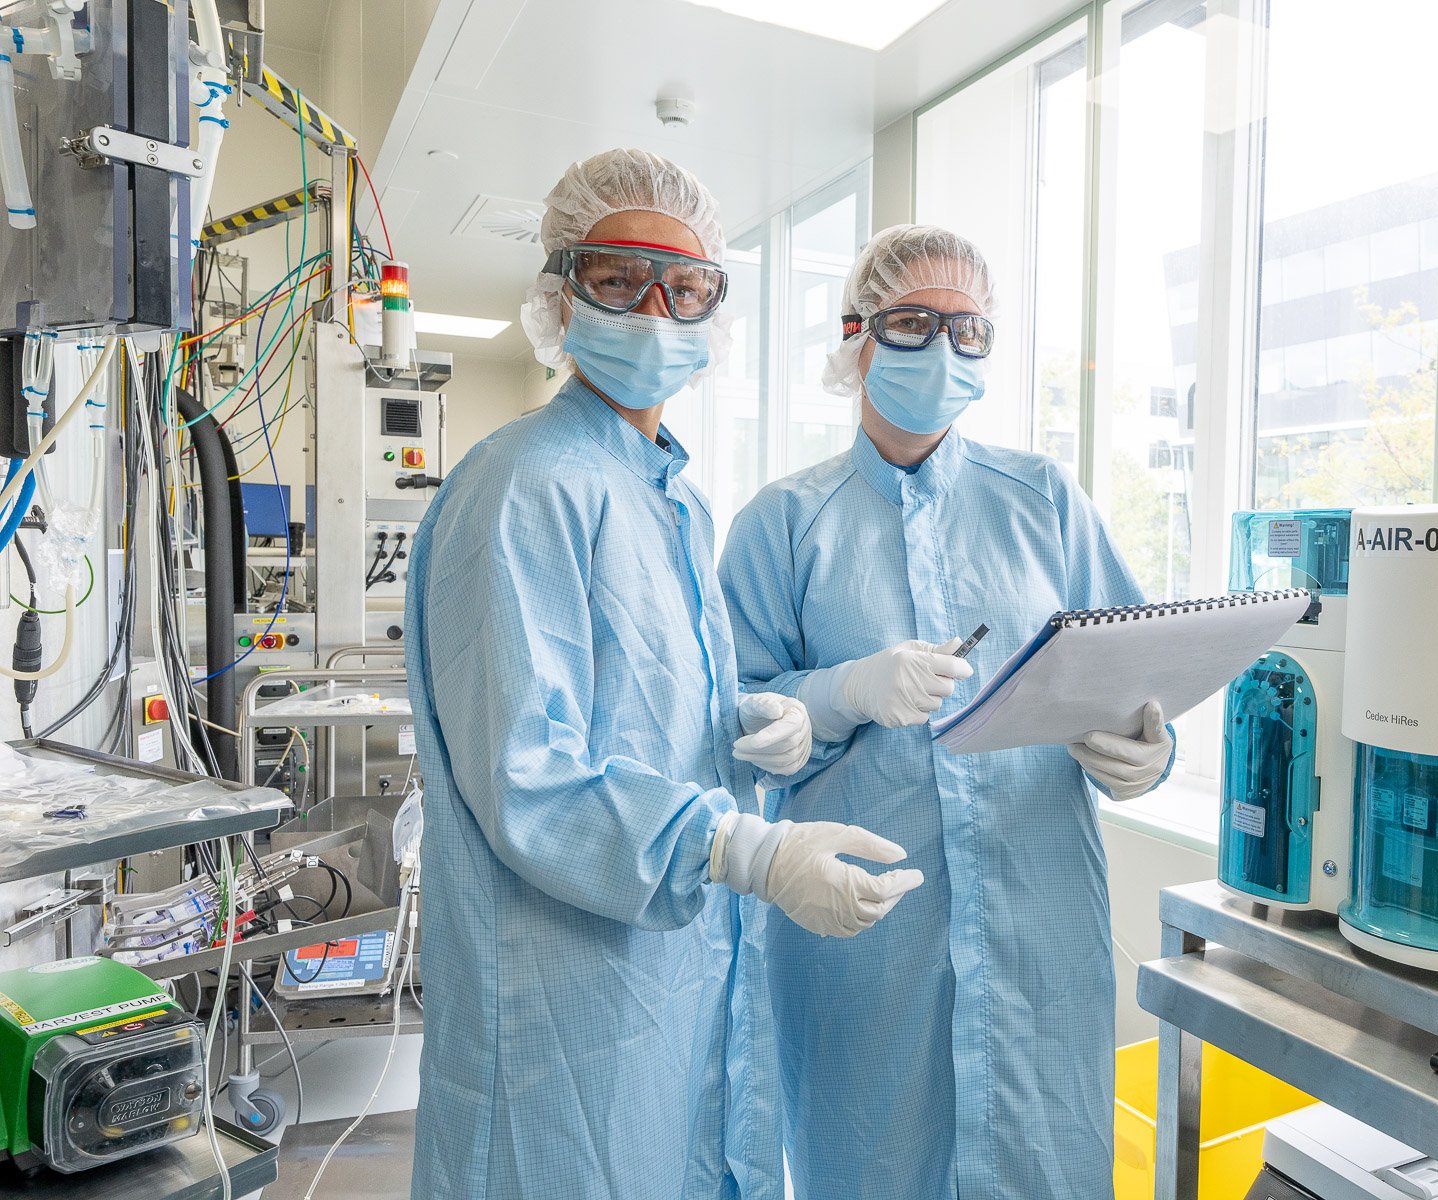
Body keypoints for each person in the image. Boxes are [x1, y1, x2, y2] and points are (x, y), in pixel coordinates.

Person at [404, 150, 923, 1200]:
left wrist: (749, 718)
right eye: (617, 278)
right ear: (559, 290)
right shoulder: (524, 485)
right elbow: (528, 774)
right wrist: (746, 846)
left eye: (684, 288)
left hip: (673, 987)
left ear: (714, 312)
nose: (654, 311)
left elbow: (634, 706)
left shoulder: (674, 496)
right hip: (563, 1012)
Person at [717, 224, 1177, 1199]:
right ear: (857, 337)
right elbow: (729, 723)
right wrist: (839, 691)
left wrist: (1149, 751)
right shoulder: (783, 524)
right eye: (915, 322)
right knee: (868, 1167)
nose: (944, 350)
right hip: (864, 939)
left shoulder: (1044, 501)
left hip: (1036, 925)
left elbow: (1135, 671)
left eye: (969, 331)